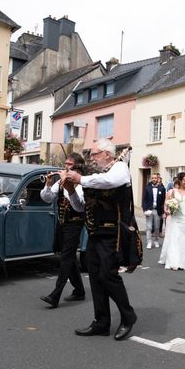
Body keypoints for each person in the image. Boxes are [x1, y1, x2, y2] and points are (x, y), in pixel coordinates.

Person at [66, 139, 137, 341]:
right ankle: (101, 322)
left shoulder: (120, 168)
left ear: (107, 153)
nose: (91, 158)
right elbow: (80, 206)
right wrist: (71, 189)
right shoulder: (91, 176)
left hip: (113, 233)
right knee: (96, 277)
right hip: (95, 232)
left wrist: (80, 179)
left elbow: (109, 182)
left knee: (108, 276)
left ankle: (128, 316)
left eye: (94, 153)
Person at [38, 153, 86, 308]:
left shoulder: (82, 184)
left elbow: (79, 206)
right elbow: (47, 198)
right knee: (68, 257)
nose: (66, 167)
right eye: (65, 163)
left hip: (75, 224)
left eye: (69, 164)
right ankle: (79, 291)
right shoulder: (59, 181)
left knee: (66, 258)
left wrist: (69, 188)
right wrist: (48, 184)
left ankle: (55, 295)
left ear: (77, 166)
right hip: (61, 223)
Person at [159, 172, 185, 271]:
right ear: (180, 181)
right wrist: (167, 210)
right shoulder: (173, 191)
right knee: (175, 238)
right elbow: (167, 203)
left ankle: (184, 261)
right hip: (176, 217)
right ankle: (174, 262)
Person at [142, 173, 166, 249]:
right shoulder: (147, 188)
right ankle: (149, 242)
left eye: (155, 178)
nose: (154, 179)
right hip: (149, 209)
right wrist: (145, 209)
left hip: (157, 210)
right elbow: (144, 200)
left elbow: (163, 201)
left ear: (158, 179)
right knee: (148, 227)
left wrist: (163, 212)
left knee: (157, 227)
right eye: (153, 178)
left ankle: (156, 240)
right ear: (151, 179)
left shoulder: (162, 189)